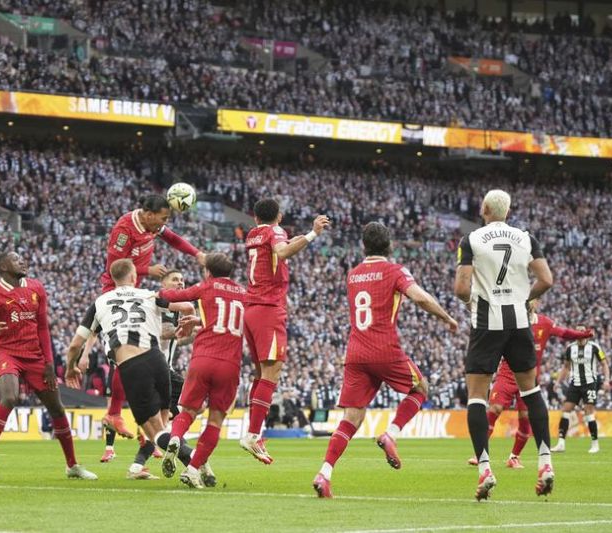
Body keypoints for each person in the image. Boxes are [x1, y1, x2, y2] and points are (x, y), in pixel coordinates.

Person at [312, 222, 458, 498]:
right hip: (384, 348)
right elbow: (420, 298)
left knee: (351, 417)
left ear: (363, 246)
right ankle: (390, 433)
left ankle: (325, 473)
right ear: (389, 245)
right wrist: (446, 318)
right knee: (421, 388)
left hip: (355, 351)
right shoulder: (394, 270)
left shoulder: (353, 275)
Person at [453, 189, 555, 500]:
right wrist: (525, 298)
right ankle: (546, 463)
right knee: (532, 391)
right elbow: (546, 280)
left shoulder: (471, 240)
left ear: (484, 208)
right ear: (508, 212)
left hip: (487, 323)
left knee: (476, 397)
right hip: (520, 323)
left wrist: (474, 302)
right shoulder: (526, 238)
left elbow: (461, 287)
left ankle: (485, 468)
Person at [0, 251, 97, 482]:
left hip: (35, 357)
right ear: (3, 267)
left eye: (22, 258)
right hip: (7, 353)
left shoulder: (36, 287)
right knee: (10, 397)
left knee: (56, 408)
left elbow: (43, 328)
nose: (23, 261)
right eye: (16, 259)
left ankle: (72, 465)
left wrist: (49, 362)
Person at [97, 195, 205, 454]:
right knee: (126, 354)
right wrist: (147, 270)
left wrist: (197, 253)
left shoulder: (152, 226)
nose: (164, 224)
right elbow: (114, 266)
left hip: (135, 292)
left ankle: (142, 431)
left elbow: (173, 238)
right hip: (116, 292)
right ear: (147, 213)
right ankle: (116, 415)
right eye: (163, 218)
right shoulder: (124, 229)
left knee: (137, 354)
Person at [77, 259, 198, 473]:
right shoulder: (152, 299)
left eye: (182, 280)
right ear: (163, 284)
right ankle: (182, 456)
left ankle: (148, 458)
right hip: (150, 365)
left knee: (164, 421)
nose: (180, 283)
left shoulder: (170, 307)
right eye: (175, 280)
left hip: (157, 367)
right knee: (166, 419)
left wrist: (190, 330)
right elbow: (159, 331)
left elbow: (177, 337)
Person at [240, 198, 330, 464]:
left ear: (255, 218)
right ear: (278, 216)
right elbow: (281, 251)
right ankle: (254, 434)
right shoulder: (275, 232)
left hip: (252, 308)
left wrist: (296, 238)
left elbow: (277, 248)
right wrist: (313, 233)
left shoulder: (253, 234)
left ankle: (252, 431)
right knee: (272, 372)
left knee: (260, 373)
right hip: (269, 308)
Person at [467, 299, 593, 468]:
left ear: (537, 303)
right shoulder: (510, 319)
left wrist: (583, 335)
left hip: (528, 378)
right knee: (494, 409)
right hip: (506, 374)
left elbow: (564, 333)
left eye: (532, 299)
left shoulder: (544, 323)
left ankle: (514, 457)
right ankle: (480, 453)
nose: (529, 302)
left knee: (525, 417)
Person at [158, 253, 246, 489]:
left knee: (187, 410)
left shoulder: (206, 286)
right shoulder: (244, 293)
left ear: (208, 271)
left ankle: (175, 438)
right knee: (215, 420)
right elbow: (229, 319)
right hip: (229, 363)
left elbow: (173, 296)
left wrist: (156, 293)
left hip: (203, 358)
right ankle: (193, 469)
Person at [551, 332, 610, 454]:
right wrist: (558, 382)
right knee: (566, 410)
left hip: (589, 384)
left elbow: (604, 364)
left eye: (582, 333)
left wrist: (607, 380)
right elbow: (566, 367)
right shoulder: (570, 348)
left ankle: (595, 444)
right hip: (575, 383)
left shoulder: (594, 347)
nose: (580, 336)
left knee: (588, 411)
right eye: (577, 333)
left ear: (587, 335)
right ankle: (561, 443)